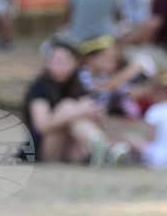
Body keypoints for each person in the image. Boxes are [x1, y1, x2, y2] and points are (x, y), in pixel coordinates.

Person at [23, 36, 118, 165]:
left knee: (79, 110)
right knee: (68, 106)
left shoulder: (78, 86)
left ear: (75, 63)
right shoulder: (39, 88)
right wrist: (76, 112)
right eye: (54, 61)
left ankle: (101, 147)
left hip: (70, 148)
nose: (58, 66)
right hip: (43, 147)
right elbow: (42, 127)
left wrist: (94, 115)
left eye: (64, 62)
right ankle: (104, 148)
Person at [123, 70, 167, 169]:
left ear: (159, 93)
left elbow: (151, 138)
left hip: (160, 159)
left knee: (129, 137)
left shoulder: (155, 110)